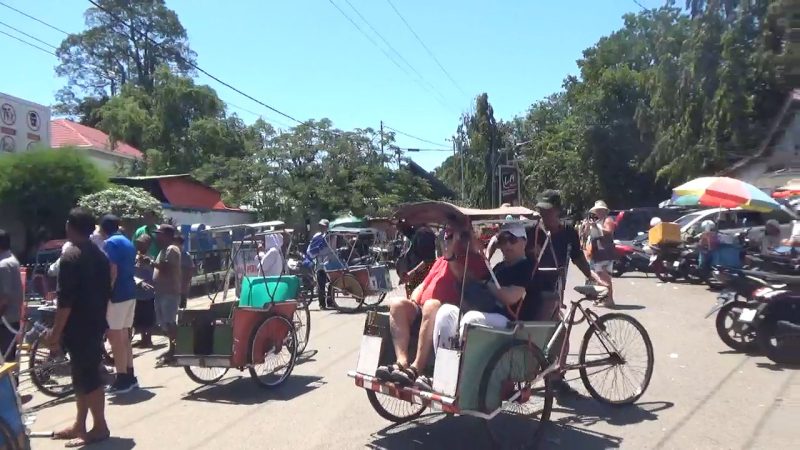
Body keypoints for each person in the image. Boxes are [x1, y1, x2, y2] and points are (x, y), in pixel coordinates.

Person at [375, 227, 489, 388]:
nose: (447, 241)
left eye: (453, 237)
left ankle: (417, 367)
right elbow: (424, 284)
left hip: (448, 312)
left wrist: (452, 255)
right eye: (447, 237)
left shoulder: (475, 260)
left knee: (431, 304)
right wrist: (414, 300)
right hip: (424, 309)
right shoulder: (440, 260)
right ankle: (402, 361)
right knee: (397, 304)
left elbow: (462, 277)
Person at [527, 191, 607, 396]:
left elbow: (578, 257)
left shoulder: (569, 233)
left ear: (558, 211)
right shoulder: (532, 231)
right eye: (541, 211)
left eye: (548, 211)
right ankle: (535, 375)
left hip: (554, 293)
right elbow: (504, 243)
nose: (544, 215)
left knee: (559, 337)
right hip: (532, 294)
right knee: (543, 337)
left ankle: (554, 378)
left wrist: (593, 276)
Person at [432, 221, 532, 385]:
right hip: (484, 311)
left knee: (471, 320)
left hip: (507, 320)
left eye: (512, 240)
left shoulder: (526, 266)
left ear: (524, 241)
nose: (506, 245)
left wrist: (484, 284)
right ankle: (444, 373)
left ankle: (462, 376)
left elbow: (510, 297)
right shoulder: (499, 267)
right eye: (502, 240)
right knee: (445, 313)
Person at [45, 208, 112, 447]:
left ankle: (99, 427)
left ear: (71, 226)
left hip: (80, 326)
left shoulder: (71, 256)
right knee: (81, 376)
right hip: (94, 323)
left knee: (89, 376)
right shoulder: (100, 255)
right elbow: (107, 290)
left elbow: (65, 302)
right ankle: (80, 425)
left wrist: (55, 334)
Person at [99, 215, 138, 394]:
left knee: (115, 338)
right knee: (124, 336)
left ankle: (121, 377)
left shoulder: (111, 243)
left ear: (103, 228)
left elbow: (112, 270)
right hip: (130, 292)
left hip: (118, 295)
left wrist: (107, 292)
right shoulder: (127, 241)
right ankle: (130, 375)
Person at [153, 224, 182, 364]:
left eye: (160, 234)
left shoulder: (172, 249)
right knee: (164, 323)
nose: (157, 236)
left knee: (170, 323)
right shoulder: (163, 250)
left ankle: (176, 350)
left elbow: (166, 268)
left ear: (168, 236)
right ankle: (173, 349)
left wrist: (150, 262)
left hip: (169, 292)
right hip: (161, 291)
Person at [582, 200, 616, 307]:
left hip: (605, 253)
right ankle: (603, 299)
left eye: (601, 210)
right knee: (599, 278)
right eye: (597, 210)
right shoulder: (595, 221)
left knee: (603, 278)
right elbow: (586, 235)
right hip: (596, 254)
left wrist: (596, 226)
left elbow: (608, 232)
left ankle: (609, 299)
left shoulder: (608, 220)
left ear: (605, 211)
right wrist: (587, 227)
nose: (598, 212)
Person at [0, 229, 23, 364]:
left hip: (5, 321)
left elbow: (4, 298)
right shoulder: (11, 260)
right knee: (9, 358)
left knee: (5, 361)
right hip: (12, 318)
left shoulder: (3, 265)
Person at [397, 222, 437, 298]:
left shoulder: (424, 233)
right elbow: (408, 232)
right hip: (414, 278)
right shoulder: (416, 231)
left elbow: (429, 259)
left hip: (421, 278)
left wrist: (413, 272)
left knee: (418, 301)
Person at [132, 235, 156, 348]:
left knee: (148, 317)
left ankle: (148, 339)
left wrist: (147, 263)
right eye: (138, 243)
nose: (139, 245)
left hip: (148, 293)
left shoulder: (150, 258)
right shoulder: (134, 257)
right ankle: (143, 338)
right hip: (136, 292)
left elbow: (154, 273)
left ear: (148, 245)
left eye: (142, 243)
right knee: (139, 317)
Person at [306, 219, 334, 309]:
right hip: (320, 264)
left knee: (333, 283)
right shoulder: (317, 236)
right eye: (321, 226)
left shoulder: (331, 236)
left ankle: (330, 301)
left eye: (324, 226)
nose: (322, 227)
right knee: (321, 285)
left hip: (330, 263)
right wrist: (317, 249)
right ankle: (322, 304)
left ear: (327, 227)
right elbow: (310, 250)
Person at [174, 234, 194, 309]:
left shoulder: (186, 256)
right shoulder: (170, 254)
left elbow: (191, 269)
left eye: (176, 243)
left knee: (182, 307)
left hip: (182, 286)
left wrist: (186, 283)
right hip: (172, 287)